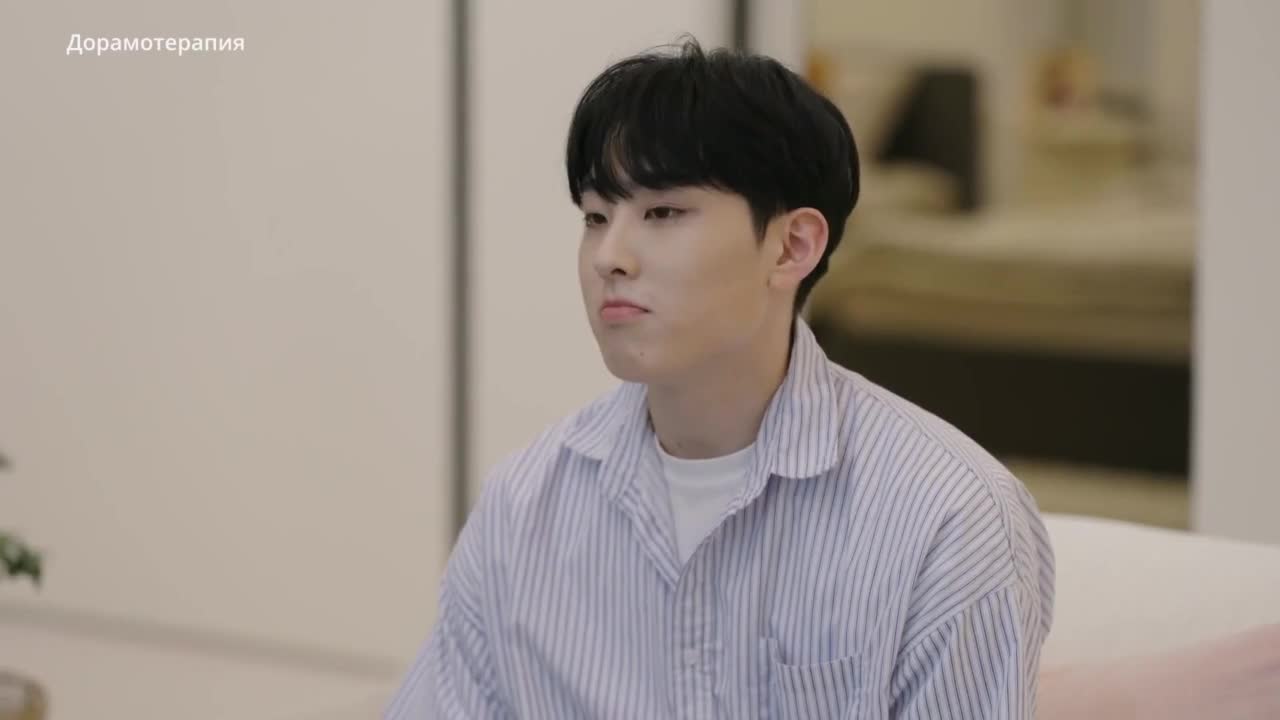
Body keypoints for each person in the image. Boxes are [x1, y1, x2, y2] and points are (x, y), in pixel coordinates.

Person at [386, 38, 1054, 719]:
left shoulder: (947, 518)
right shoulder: (524, 504)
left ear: (792, 246)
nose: (609, 256)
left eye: (662, 213)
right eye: (595, 217)